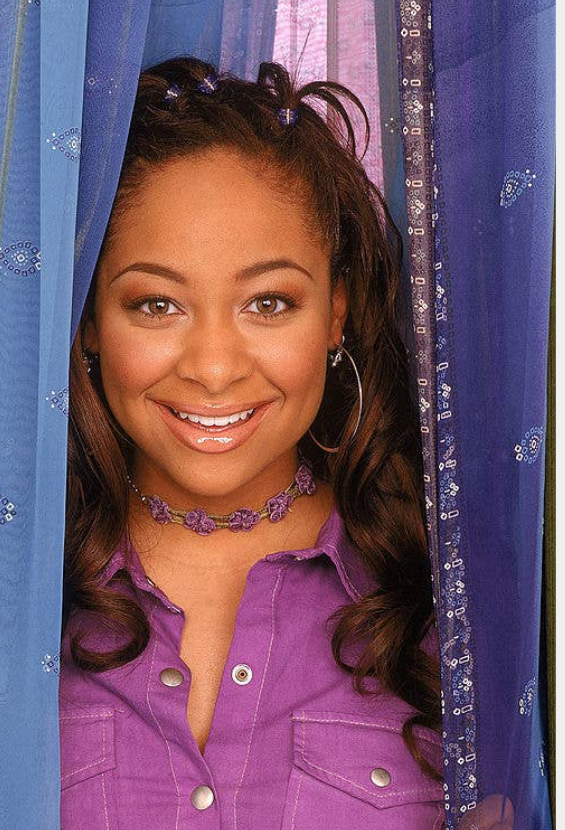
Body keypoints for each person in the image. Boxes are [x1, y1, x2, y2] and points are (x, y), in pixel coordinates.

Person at [59, 57, 443, 828]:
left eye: (268, 302)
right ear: (91, 322)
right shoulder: (7, 597)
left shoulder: (436, 598)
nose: (212, 367)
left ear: (335, 314)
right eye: (157, 303)